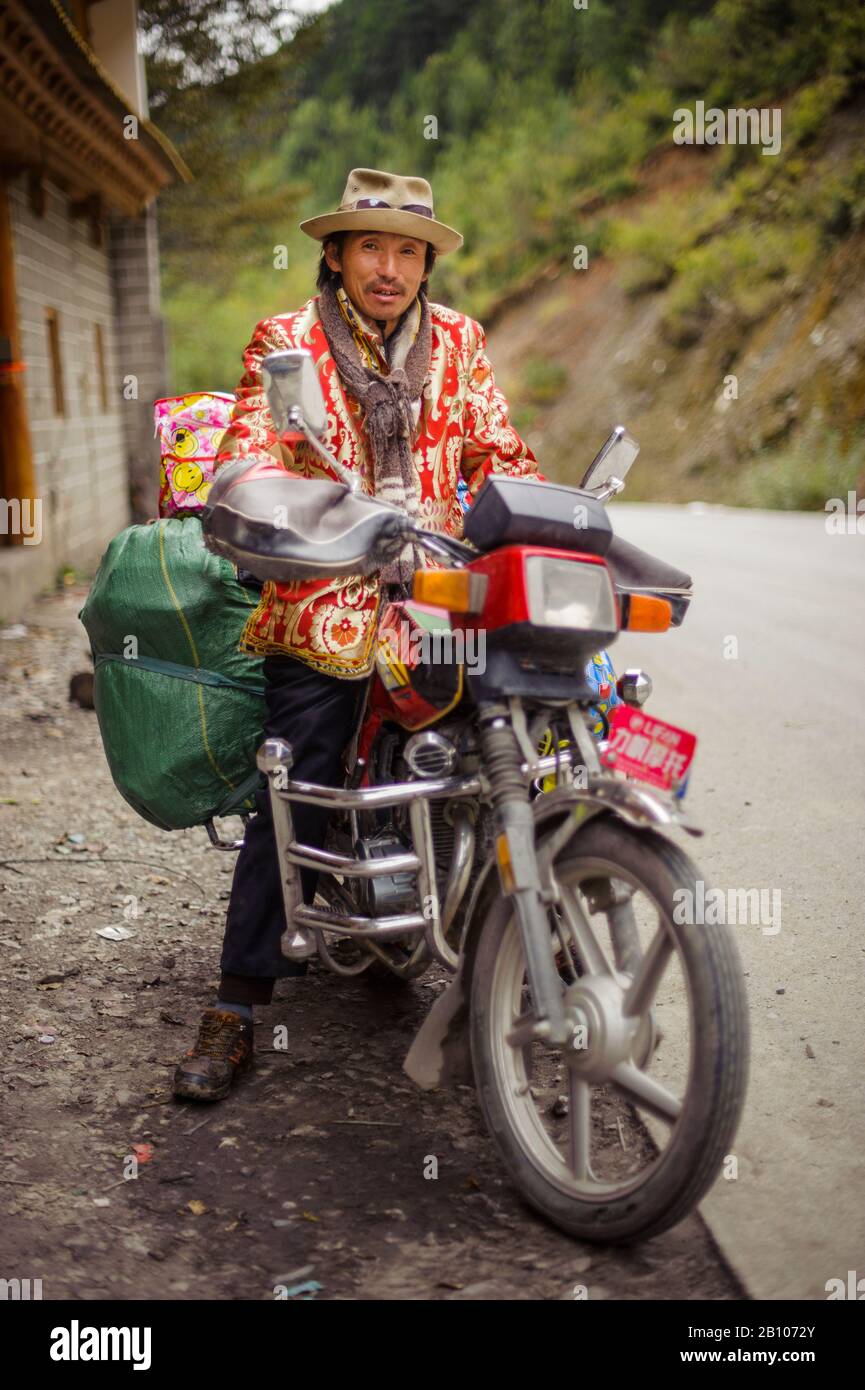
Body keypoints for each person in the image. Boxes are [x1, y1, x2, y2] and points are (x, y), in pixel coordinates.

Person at [173, 167, 542, 1102]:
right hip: (327, 597)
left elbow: (501, 453)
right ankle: (239, 1004)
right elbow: (247, 455)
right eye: (371, 246)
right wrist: (303, 512)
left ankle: (529, 938)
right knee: (291, 777)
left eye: (408, 250)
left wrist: (519, 512)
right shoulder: (287, 343)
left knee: (518, 743)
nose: (390, 267)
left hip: (440, 594)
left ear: (425, 264)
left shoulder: (459, 342)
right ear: (334, 255)